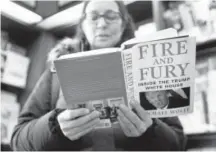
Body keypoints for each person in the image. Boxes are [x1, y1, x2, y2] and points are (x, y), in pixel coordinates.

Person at [11, 1, 187, 151]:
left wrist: (150, 130)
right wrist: (54, 126)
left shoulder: (147, 70)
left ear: (124, 23)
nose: (102, 24)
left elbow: (178, 143)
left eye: (111, 16)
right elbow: (19, 140)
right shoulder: (56, 71)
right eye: (93, 17)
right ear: (83, 24)